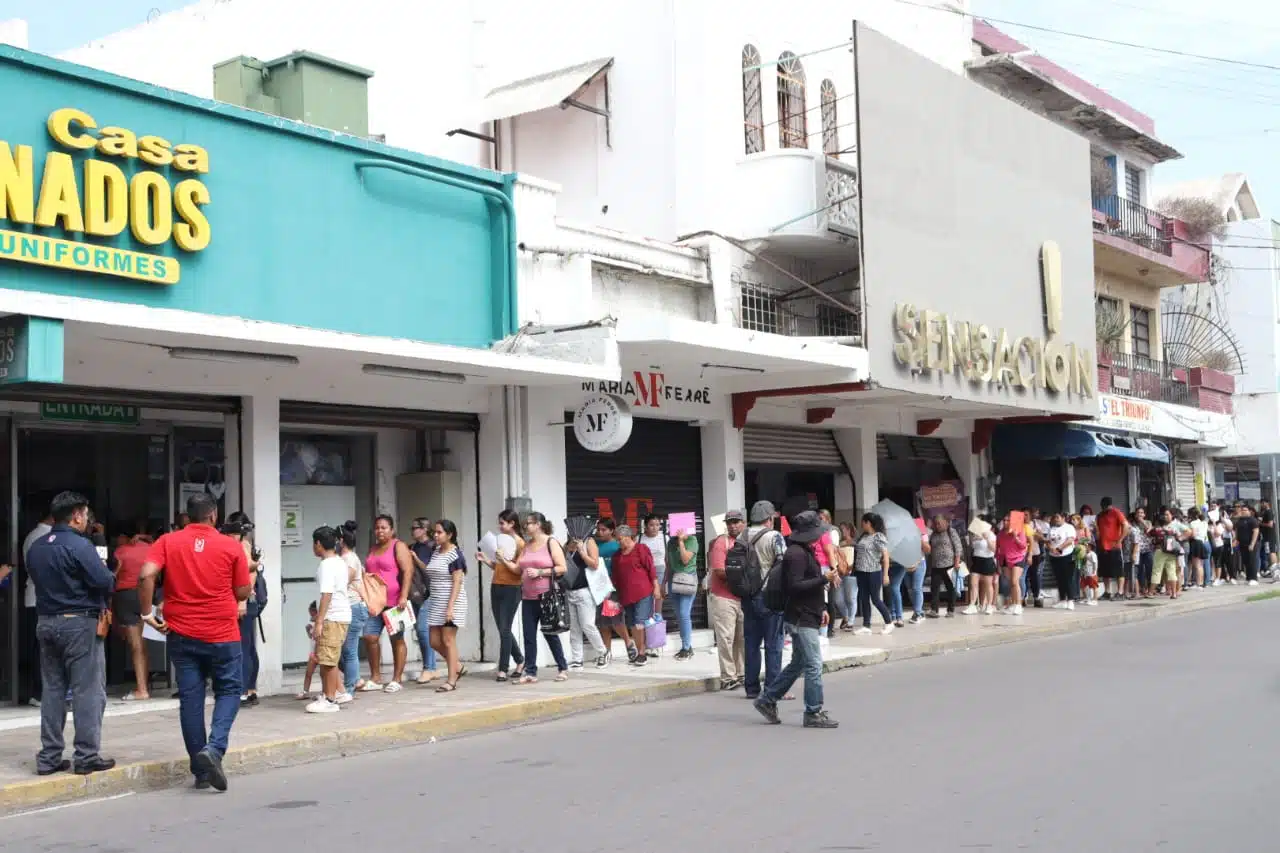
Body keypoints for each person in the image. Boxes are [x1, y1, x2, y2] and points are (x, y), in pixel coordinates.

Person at [137, 493, 250, 792]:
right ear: (213, 515)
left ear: (187, 516)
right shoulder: (231, 545)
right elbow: (241, 592)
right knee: (229, 690)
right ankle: (214, 750)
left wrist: (147, 613)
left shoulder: (167, 542)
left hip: (182, 633)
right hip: (222, 634)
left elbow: (146, 574)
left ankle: (201, 772)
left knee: (191, 699)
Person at [27, 491, 116, 776]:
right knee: (87, 690)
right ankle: (86, 756)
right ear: (76, 515)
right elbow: (105, 581)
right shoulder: (80, 545)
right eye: (85, 513)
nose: (87, 518)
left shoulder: (37, 547)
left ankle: (49, 757)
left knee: (52, 690)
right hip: (79, 623)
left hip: (46, 622)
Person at [753, 510, 840, 729]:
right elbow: (795, 586)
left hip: (808, 613)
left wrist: (822, 608)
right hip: (801, 616)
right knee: (813, 664)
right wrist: (823, 579)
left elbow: (808, 585)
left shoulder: (804, 551)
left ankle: (768, 699)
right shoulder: (796, 555)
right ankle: (813, 711)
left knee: (799, 662)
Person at [361, 515, 414, 692]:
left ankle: (397, 679)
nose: (380, 531)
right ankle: (376, 677)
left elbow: (408, 571)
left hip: (394, 601)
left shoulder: (398, 546)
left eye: (384, 528)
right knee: (370, 637)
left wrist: (403, 596)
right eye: (377, 528)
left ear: (392, 530)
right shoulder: (373, 548)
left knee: (396, 639)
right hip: (374, 602)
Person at [515, 512, 569, 684]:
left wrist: (540, 572)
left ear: (538, 524)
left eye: (528, 524)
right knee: (529, 636)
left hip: (547, 596)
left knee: (550, 633)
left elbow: (562, 568)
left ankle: (562, 667)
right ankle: (530, 671)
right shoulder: (527, 545)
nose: (526, 527)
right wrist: (495, 560)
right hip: (528, 596)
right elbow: (518, 569)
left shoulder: (551, 542)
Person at [742, 501, 786, 699]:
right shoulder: (774, 536)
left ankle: (751, 688)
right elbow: (783, 563)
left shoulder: (743, 535)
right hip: (769, 596)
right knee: (773, 643)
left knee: (751, 643)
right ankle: (772, 688)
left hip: (747, 595)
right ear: (769, 519)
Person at [306, 526, 352, 714]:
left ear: (318, 544)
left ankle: (330, 699)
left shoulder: (326, 565)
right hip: (339, 615)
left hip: (333, 617)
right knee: (329, 657)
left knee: (327, 660)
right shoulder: (339, 561)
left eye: (314, 543)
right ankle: (333, 693)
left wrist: (319, 621)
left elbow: (327, 594)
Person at [476, 509, 526, 680]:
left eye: (502, 523)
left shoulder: (520, 543)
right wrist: (486, 560)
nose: (500, 526)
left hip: (512, 589)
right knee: (502, 628)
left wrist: (503, 558)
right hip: (496, 585)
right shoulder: (501, 541)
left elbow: (518, 570)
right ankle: (520, 660)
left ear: (512, 524)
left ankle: (503, 668)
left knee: (505, 629)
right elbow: (499, 567)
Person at [221, 512, 262, 708]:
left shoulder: (242, 546)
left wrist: (241, 602)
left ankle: (243, 691)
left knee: (242, 648)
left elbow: (249, 572)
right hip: (249, 602)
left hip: (244, 602)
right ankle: (251, 689)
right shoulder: (250, 545)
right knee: (249, 648)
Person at [424, 520, 469, 692]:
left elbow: (457, 582)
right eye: (435, 532)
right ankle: (457, 666)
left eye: (439, 532)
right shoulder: (436, 551)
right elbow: (432, 571)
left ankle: (451, 680)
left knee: (448, 640)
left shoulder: (455, 554)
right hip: (436, 601)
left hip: (452, 602)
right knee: (434, 641)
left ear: (449, 535)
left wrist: (450, 608)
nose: (435, 535)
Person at [582, 518, 633, 663]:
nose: (600, 532)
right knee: (602, 622)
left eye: (604, 529)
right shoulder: (594, 544)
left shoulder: (617, 546)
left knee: (616, 619)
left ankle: (629, 643)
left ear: (612, 530)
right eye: (598, 529)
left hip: (613, 588)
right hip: (598, 588)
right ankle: (606, 651)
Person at [112, 524, 152, 701]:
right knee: (143, 645)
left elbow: (112, 575)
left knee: (135, 646)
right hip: (145, 594)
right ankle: (145, 684)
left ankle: (141, 689)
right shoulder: (150, 548)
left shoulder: (120, 551)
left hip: (126, 596)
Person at [706, 510, 746, 690]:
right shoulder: (721, 543)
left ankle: (741, 673)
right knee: (726, 638)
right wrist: (741, 583)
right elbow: (719, 571)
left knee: (742, 638)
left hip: (742, 597)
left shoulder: (746, 542)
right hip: (724, 597)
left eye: (736, 522)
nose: (733, 525)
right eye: (730, 522)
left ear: (743, 523)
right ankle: (728, 677)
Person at [612, 525, 660, 665]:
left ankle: (642, 653)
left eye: (620, 539)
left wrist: (656, 587)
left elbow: (651, 570)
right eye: (617, 540)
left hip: (643, 592)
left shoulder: (641, 549)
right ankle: (640, 650)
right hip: (626, 594)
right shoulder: (617, 555)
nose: (619, 542)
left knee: (639, 622)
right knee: (633, 623)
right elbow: (615, 576)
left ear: (628, 537)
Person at [406, 518, 440, 685]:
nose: (413, 531)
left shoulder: (432, 547)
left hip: (431, 592)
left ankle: (429, 667)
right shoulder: (412, 547)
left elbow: (431, 571)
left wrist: (415, 559)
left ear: (424, 530)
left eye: (416, 528)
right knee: (423, 631)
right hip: (415, 593)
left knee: (422, 629)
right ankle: (431, 666)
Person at [337, 521, 366, 700]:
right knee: (345, 651)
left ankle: (349, 688)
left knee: (349, 651)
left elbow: (342, 582)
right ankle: (353, 680)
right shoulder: (347, 557)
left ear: (341, 541)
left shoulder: (349, 559)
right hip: (350, 607)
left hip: (353, 607)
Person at [851, 513, 893, 635]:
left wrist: (885, 575)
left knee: (875, 599)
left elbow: (885, 556)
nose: (861, 525)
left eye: (863, 522)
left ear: (868, 523)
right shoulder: (864, 536)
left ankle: (889, 622)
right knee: (864, 598)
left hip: (873, 572)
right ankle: (866, 625)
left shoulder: (878, 537)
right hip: (861, 572)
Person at [665, 519, 699, 660]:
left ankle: (686, 647)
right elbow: (668, 563)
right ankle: (686, 646)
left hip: (687, 579)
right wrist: (663, 583)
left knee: (684, 613)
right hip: (674, 579)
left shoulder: (692, 540)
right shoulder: (669, 542)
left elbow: (685, 560)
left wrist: (681, 541)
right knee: (679, 615)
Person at [926, 515, 961, 617]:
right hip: (936, 565)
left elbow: (958, 547)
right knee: (934, 588)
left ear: (946, 522)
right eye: (936, 523)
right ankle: (934, 610)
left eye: (939, 523)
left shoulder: (951, 532)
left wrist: (956, 563)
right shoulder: (933, 534)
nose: (938, 525)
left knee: (950, 588)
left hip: (949, 564)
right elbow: (929, 547)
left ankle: (950, 610)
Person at [1095, 497, 1129, 600]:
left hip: (1115, 547)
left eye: (1106, 506)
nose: (1104, 508)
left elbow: (1126, 526)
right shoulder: (1099, 515)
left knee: (1119, 571)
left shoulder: (1116, 512)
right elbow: (1098, 531)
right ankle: (1107, 592)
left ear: (1109, 505)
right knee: (1105, 571)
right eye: (1103, 506)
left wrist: (1120, 540)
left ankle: (1120, 592)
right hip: (1102, 546)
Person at [964, 514, 998, 616]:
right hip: (976, 560)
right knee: (973, 583)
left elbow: (994, 549)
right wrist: (974, 539)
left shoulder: (991, 535)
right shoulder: (975, 534)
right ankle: (972, 605)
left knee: (988, 584)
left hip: (987, 560)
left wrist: (986, 538)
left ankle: (989, 606)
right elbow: (973, 547)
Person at [996, 514, 1028, 615]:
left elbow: (1023, 546)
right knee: (1011, 583)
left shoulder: (1020, 531)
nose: (1005, 522)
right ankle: (1013, 604)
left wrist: (1015, 536)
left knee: (1015, 581)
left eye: (1008, 520)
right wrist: (999, 564)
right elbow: (998, 549)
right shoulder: (1001, 534)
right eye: (1004, 520)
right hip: (1005, 559)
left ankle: (1018, 605)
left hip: (1017, 559)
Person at [1045, 512, 1077, 610]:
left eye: (1058, 517)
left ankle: (1071, 600)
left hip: (1066, 555)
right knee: (1059, 578)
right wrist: (1051, 549)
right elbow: (1048, 541)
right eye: (1055, 517)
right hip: (1054, 556)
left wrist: (1059, 548)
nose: (1056, 519)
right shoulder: (1052, 528)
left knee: (1068, 578)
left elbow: (1070, 539)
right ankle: (1062, 600)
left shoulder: (1069, 527)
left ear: (1063, 518)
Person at [835, 521, 858, 630]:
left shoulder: (855, 543)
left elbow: (856, 559)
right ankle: (846, 617)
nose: (842, 531)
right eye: (841, 529)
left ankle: (851, 621)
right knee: (838, 599)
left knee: (851, 598)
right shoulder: (838, 543)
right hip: (839, 573)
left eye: (843, 528)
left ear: (849, 530)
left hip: (851, 574)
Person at [1234, 505, 1261, 586]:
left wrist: (1252, 544)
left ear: (1249, 511)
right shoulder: (1240, 521)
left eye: (1245, 510)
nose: (1243, 511)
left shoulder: (1252, 520)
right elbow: (1236, 531)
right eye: (1242, 510)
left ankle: (1254, 578)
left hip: (1251, 544)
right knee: (1245, 561)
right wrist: (1236, 540)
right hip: (1242, 544)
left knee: (1252, 561)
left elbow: (1256, 531)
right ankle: (1249, 577)